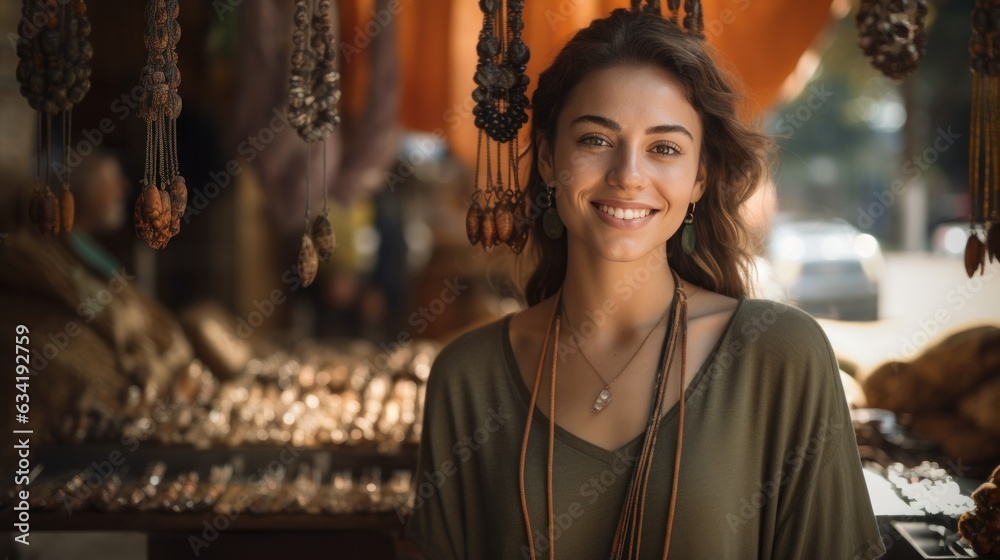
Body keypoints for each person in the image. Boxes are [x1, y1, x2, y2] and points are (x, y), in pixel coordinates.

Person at [404, 9, 884, 560]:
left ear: (699, 177)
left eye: (665, 148)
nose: (628, 174)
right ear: (547, 158)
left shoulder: (779, 357)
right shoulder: (468, 378)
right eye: (595, 139)